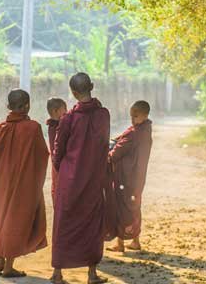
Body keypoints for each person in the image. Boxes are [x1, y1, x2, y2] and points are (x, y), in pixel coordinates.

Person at [51, 73, 110, 284]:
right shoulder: (103, 115)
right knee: (92, 222)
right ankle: (92, 273)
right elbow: (104, 145)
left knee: (64, 222)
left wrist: (64, 169)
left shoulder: (68, 119)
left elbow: (58, 150)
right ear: (92, 87)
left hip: (70, 179)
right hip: (94, 177)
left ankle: (57, 273)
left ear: (73, 93)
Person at [0, 89, 49, 278]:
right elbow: (42, 155)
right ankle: (8, 267)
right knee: (17, 220)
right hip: (23, 183)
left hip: (1, 182)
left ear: (8, 107)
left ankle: (0, 258)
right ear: (27, 105)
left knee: (1, 217)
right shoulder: (33, 128)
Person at [106, 100, 153, 253]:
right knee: (134, 206)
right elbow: (123, 139)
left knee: (122, 207)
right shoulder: (145, 129)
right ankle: (135, 241)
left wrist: (107, 153)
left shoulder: (134, 133)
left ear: (145, 115)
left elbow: (115, 153)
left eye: (136, 116)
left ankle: (120, 243)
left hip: (125, 178)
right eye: (131, 116)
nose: (132, 119)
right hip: (138, 178)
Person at [46, 97, 68, 207]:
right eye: (64, 109)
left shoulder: (55, 126)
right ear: (55, 111)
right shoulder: (55, 127)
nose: (67, 112)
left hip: (58, 164)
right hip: (59, 164)